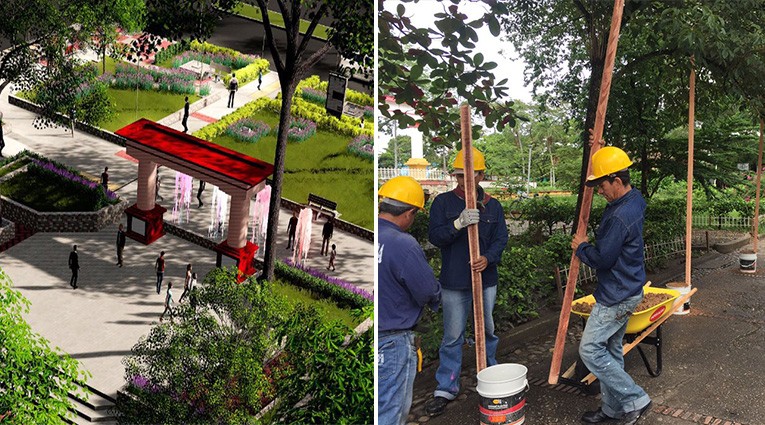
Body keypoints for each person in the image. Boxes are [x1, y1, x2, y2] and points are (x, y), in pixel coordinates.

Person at [571, 146, 652, 425]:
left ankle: (635, 399)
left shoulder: (619, 216)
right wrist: (602, 148)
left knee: (590, 349)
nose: (600, 192)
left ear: (618, 181)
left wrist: (581, 247)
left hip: (616, 294)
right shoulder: (635, 199)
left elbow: (603, 259)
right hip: (629, 288)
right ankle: (612, 409)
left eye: (602, 185)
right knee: (612, 349)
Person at [425, 147, 508, 416]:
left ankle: (490, 374)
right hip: (454, 281)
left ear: (481, 175)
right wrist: (457, 224)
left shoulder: (493, 205)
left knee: (488, 330)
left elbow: (501, 239)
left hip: (485, 279)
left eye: (469, 175)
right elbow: (436, 237)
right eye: (459, 175)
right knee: (452, 336)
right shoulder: (443, 203)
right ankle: (446, 386)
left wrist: (488, 258)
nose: (463, 180)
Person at [378, 176, 441, 425]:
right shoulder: (403, 244)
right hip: (393, 341)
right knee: (390, 412)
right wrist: (438, 296)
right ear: (409, 213)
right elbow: (426, 290)